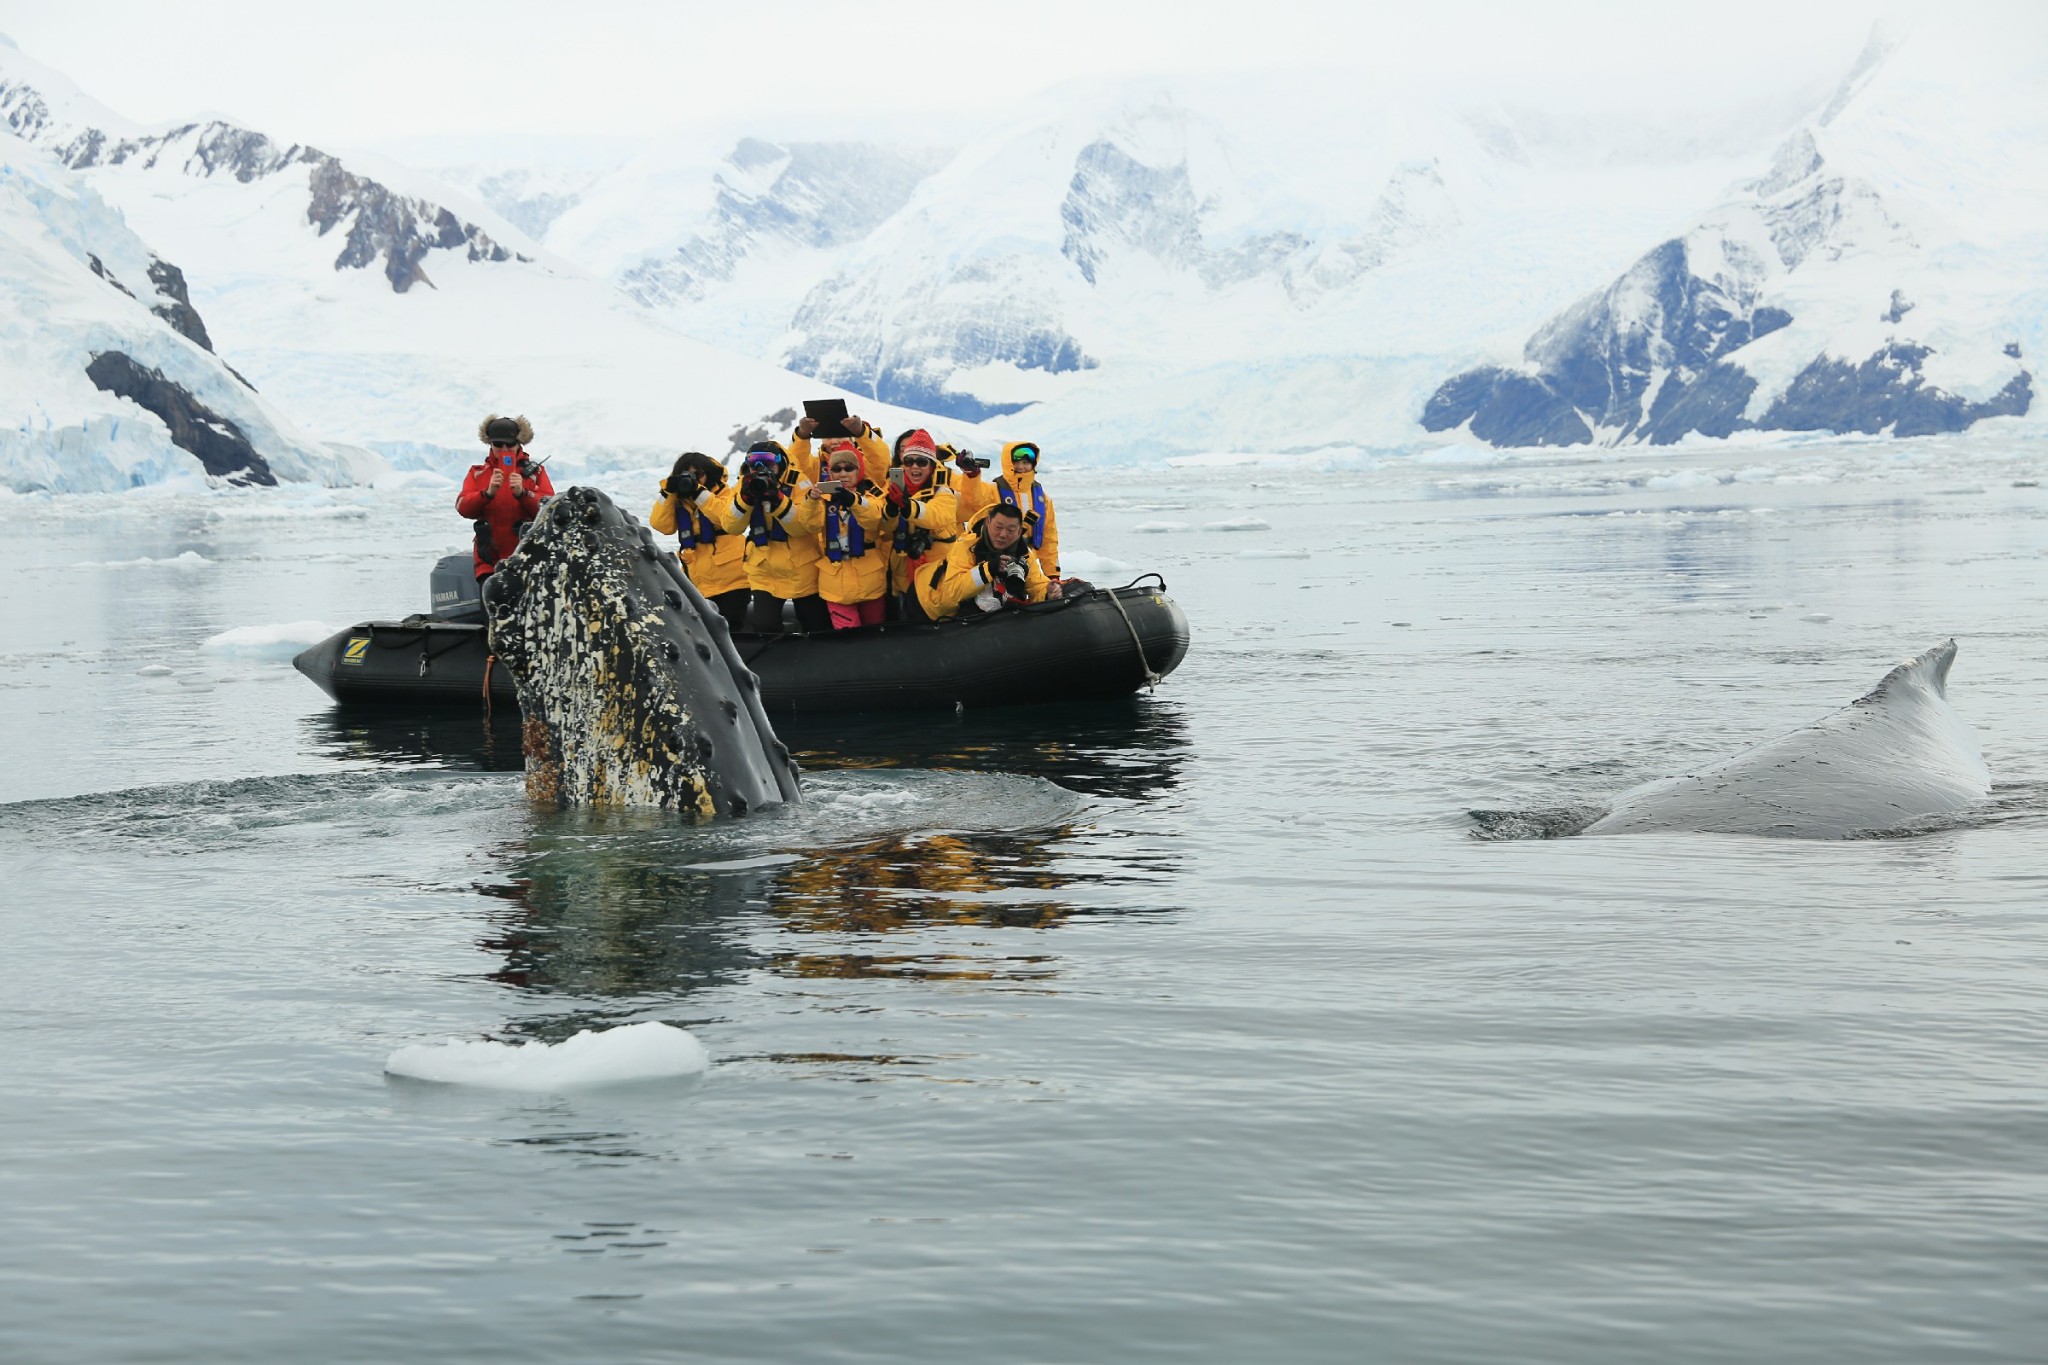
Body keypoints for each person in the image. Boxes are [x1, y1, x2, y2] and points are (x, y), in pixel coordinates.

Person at [718, 440, 831, 633]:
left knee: (816, 625)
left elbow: (802, 528)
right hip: (764, 569)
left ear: (781, 462)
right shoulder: (745, 483)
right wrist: (744, 500)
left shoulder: (799, 482)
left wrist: (777, 500)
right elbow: (731, 526)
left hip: (801, 567)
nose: (760, 467)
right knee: (764, 625)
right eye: (754, 462)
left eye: (768, 461)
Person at [648, 451, 748, 633]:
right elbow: (661, 525)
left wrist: (699, 493)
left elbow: (725, 519)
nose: (694, 479)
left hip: (732, 581)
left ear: (708, 474)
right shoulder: (678, 500)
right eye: (686, 475)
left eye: (698, 475)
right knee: (702, 632)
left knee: (732, 629)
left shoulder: (726, 494)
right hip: (697, 581)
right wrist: (668, 492)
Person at [915, 501, 1059, 620]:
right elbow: (954, 590)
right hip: (926, 601)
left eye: (1011, 530)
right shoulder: (967, 546)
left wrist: (1048, 592)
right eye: (998, 527)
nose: (1003, 535)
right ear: (988, 522)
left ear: (1019, 531)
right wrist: (988, 570)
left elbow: (1035, 585)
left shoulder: (1024, 554)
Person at [456, 414, 555, 579]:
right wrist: (486, 493)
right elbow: (463, 507)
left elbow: (549, 509)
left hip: (528, 562)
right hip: (488, 562)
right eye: (497, 444)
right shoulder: (478, 473)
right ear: (490, 444)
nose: (503, 449)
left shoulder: (535, 473)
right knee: (490, 604)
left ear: (519, 444)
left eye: (509, 444)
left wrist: (524, 494)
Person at [810, 438, 891, 629]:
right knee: (848, 636)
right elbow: (809, 526)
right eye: (837, 469)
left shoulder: (873, 495)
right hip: (835, 582)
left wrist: (853, 501)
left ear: (859, 470)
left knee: (874, 634)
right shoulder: (822, 497)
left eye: (849, 468)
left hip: (870, 580)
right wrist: (810, 502)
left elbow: (875, 520)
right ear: (830, 473)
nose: (843, 473)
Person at [884, 429, 959, 621]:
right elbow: (883, 528)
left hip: (936, 578)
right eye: (909, 461)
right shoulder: (893, 489)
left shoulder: (943, 492)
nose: (914, 467)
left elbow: (934, 515)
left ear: (933, 466)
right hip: (903, 575)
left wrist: (906, 506)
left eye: (922, 462)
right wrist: (891, 510)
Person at [992, 440, 1060, 581]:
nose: (1021, 467)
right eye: (1017, 462)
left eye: (1026, 463)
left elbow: (1048, 539)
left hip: (1029, 563)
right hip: (998, 561)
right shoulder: (993, 491)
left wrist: (1052, 574)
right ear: (1008, 462)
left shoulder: (1043, 499)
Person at [790, 411, 891, 484]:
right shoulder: (816, 467)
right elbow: (796, 464)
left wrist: (861, 432)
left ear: (852, 438)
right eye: (828, 437)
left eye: (840, 436)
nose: (834, 441)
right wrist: (802, 434)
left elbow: (880, 461)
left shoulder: (865, 463)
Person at [946, 442, 999, 524]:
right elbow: (973, 502)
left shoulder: (947, 476)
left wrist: (971, 473)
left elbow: (972, 503)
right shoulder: (997, 488)